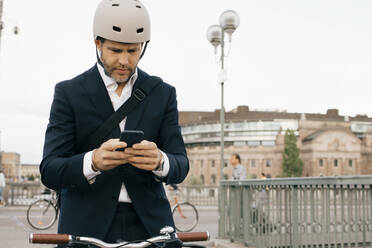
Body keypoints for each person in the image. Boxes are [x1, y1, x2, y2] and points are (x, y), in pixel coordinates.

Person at [40, 0, 189, 246]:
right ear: (97, 43)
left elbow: (181, 165)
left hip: (150, 226)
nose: (124, 61)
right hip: (85, 228)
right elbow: (50, 170)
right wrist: (93, 162)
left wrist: (161, 161)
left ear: (143, 46)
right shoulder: (69, 92)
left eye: (133, 51)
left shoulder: (163, 93)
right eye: (115, 50)